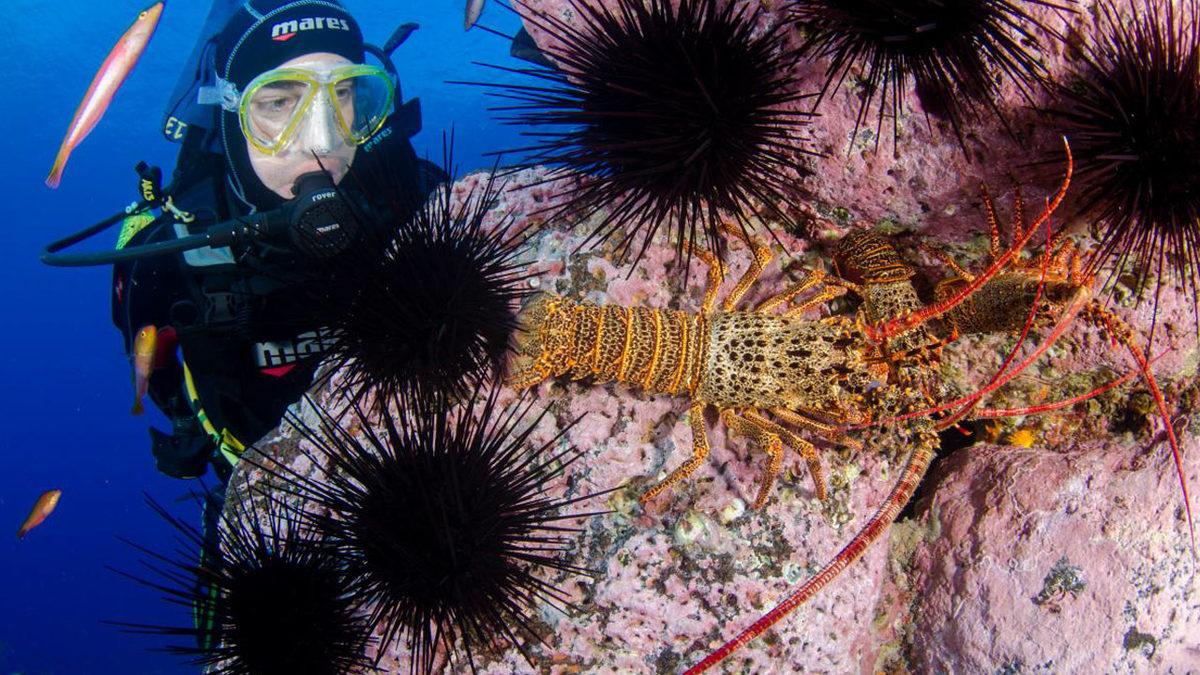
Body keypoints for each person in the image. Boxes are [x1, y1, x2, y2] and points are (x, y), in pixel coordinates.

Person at [108, 0, 444, 484]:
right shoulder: (169, 253)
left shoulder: (415, 200)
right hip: (260, 483)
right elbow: (149, 358)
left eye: (344, 92)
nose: (324, 141)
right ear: (230, 114)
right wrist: (184, 422)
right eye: (279, 102)